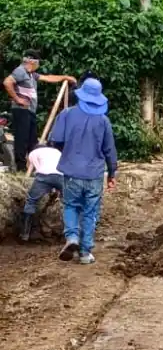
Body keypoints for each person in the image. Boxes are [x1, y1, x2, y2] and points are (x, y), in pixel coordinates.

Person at [50, 77, 117, 265]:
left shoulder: (66, 114)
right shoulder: (104, 121)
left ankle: (72, 237)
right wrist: (112, 174)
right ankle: (85, 253)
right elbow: (110, 150)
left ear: (81, 94)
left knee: (71, 205)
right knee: (90, 211)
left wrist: (69, 153)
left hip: (72, 172)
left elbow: (56, 140)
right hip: (94, 174)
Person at [3, 51, 75, 173]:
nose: (38, 66)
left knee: (32, 140)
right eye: (37, 63)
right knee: (22, 139)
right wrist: (17, 99)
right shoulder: (20, 71)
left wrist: (65, 77)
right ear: (32, 62)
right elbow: (7, 82)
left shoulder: (31, 74)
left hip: (29, 111)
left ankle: (32, 167)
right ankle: (21, 169)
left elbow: (48, 78)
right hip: (21, 110)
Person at [19, 142, 63, 242]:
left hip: (44, 176)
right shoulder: (57, 151)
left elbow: (38, 169)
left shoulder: (33, 153)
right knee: (68, 204)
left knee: (31, 201)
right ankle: (67, 234)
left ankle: (24, 235)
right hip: (62, 176)